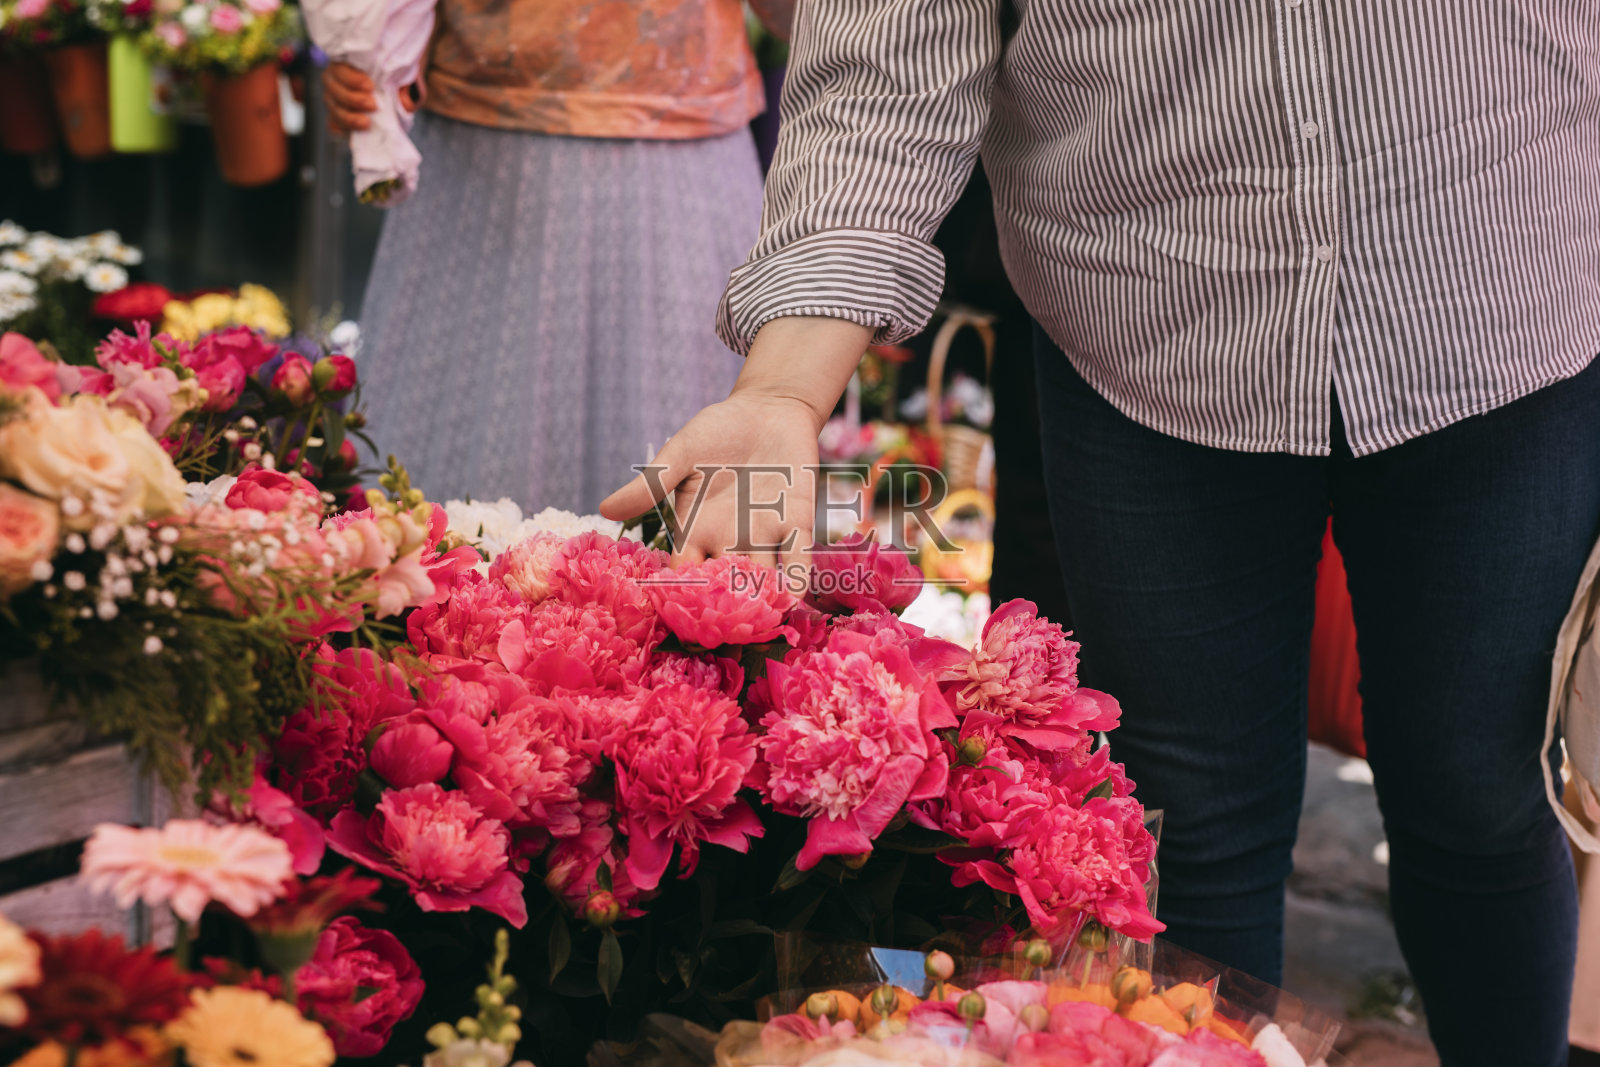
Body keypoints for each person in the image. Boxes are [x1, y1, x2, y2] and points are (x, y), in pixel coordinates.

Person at [601, 4, 1600, 1065]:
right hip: (1145, 331)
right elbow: (884, 73)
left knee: (1484, 798)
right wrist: (783, 389)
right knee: (1189, 821)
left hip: (1501, 297)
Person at [323, 0, 792, 512]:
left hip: (681, 160)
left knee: (696, 535)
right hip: (482, 160)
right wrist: (368, 49)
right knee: (435, 543)